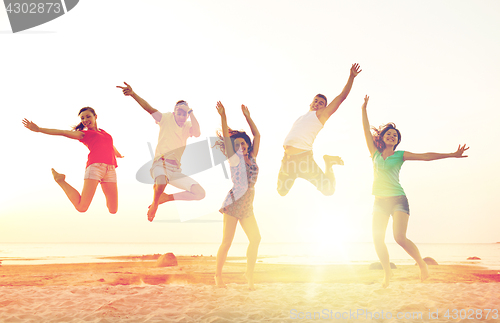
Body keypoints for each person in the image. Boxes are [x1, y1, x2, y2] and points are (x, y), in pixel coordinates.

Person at [361, 95, 469, 288]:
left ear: (397, 141)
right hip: (379, 202)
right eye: (389, 133)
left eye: (395, 135)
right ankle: (387, 275)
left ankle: (422, 265)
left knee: (399, 238)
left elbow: (426, 156)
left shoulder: (400, 155)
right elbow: (365, 131)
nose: (391, 136)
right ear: (383, 137)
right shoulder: (374, 154)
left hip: (398, 200)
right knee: (377, 239)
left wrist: (452, 154)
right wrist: (364, 109)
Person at [116, 82, 205, 222]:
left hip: (175, 170)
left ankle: (166, 198)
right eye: (179, 113)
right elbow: (149, 108)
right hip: (160, 164)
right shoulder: (165, 119)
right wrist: (133, 94)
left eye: (184, 114)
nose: (182, 116)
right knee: (162, 180)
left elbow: (198, 133)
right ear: (174, 111)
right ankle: (155, 204)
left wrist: (191, 112)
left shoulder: (188, 126)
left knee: (200, 193)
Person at [277, 63, 362, 196]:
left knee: (328, 190)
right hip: (287, 160)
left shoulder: (320, 116)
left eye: (321, 103)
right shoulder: (302, 117)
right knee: (281, 192)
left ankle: (328, 163)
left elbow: (341, 98)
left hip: (303, 159)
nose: (317, 104)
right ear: (310, 103)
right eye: (315, 101)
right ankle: (297, 173)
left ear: (324, 108)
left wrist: (351, 77)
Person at [22, 107, 122, 213]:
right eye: (82, 118)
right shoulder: (84, 134)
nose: (85, 120)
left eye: (88, 116)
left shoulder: (104, 132)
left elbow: (110, 144)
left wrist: (118, 154)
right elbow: (62, 132)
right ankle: (60, 180)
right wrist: (39, 129)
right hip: (95, 168)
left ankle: (60, 180)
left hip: (110, 169)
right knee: (82, 207)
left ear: (95, 117)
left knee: (113, 209)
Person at [214, 101, 261, 290]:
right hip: (233, 203)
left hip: (247, 205)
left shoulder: (253, 157)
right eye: (237, 144)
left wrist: (248, 117)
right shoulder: (234, 159)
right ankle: (218, 276)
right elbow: (226, 136)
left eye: (243, 143)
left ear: (248, 145)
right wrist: (223, 116)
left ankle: (249, 275)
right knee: (227, 241)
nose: (241, 145)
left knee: (255, 239)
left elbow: (257, 134)